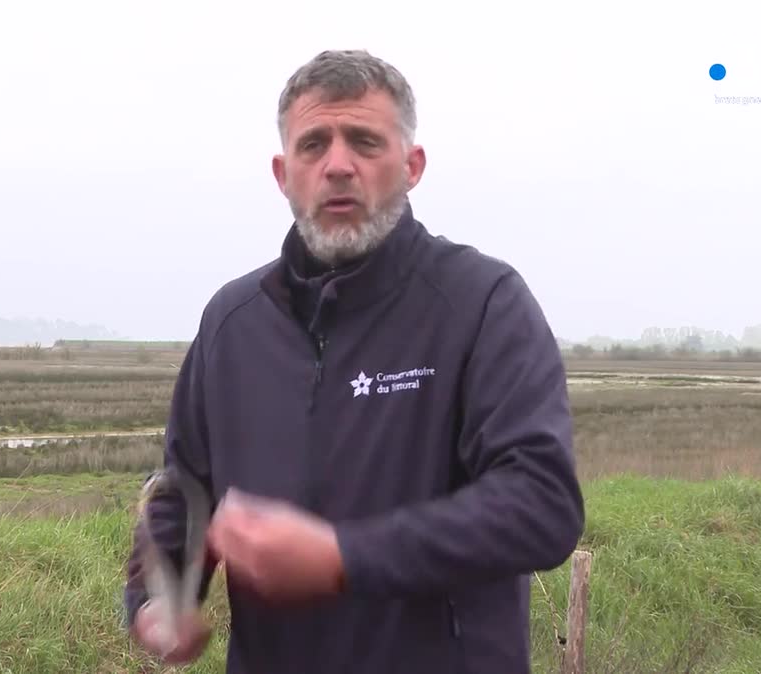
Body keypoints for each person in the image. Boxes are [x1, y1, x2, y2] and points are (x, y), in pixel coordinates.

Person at [123, 48, 585, 673]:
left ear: (412, 164)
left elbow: (542, 505)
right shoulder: (232, 323)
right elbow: (183, 492)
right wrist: (158, 602)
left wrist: (343, 556)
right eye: (314, 145)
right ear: (283, 174)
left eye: (365, 142)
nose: (338, 166)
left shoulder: (482, 303)